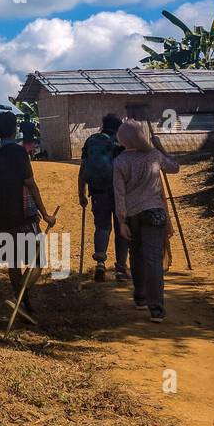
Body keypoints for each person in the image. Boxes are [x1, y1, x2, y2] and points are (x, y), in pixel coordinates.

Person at [0, 110, 55, 321]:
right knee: (38, 262)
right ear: (14, 128)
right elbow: (30, 183)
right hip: (24, 213)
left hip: (2, 213)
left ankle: (22, 300)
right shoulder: (19, 152)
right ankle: (20, 299)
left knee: (13, 262)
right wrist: (45, 214)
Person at [113, 120, 178, 323]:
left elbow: (119, 195)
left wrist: (121, 222)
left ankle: (140, 296)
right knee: (153, 259)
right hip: (155, 213)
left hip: (132, 216)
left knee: (136, 254)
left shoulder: (120, 162)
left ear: (122, 139)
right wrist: (161, 147)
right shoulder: (154, 155)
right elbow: (175, 168)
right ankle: (156, 308)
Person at [78, 113, 126, 282]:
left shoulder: (91, 141)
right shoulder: (120, 143)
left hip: (97, 191)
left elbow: (83, 169)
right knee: (121, 228)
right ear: (118, 127)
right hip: (119, 193)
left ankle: (100, 264)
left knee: (102, 227)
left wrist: (81, 193)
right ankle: (120, 269)